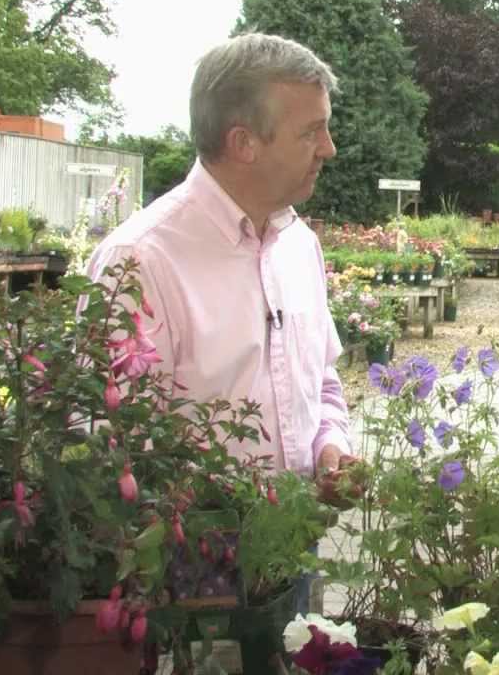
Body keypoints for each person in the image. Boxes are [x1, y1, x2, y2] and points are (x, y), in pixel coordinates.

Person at [84, 33, 360, 610]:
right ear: (243, 143)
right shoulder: (142, 261)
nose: (329, 148)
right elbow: (107, 446)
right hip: (184, 580)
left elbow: (324, 381)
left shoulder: (299, 245)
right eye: (311, 131)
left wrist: (329, 445)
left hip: (294, 557)